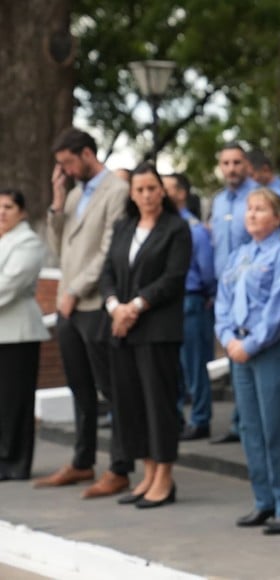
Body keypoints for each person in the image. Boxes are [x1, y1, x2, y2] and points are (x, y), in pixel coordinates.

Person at [38, 127, 134, 499]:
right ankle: (82, 461)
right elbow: (59, 247)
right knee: (79, 388)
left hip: (93, 305)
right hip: (69, 307)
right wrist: (58, 199)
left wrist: (76, 291)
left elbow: (108, 252)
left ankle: (120, 467)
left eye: (66, 163)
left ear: (87, 154)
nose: (64, 170)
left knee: (110, 389)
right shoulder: (76, 194)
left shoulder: (117, 191)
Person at [215, 188, 280, 535]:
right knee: (251, 429)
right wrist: (227, 339)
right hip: (238, 348)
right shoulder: (238, 255)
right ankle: (263, 501)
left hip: (270, 350)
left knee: (277, 429)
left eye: (261, 209)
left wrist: (249, 344)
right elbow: (223, 303)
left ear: (278, 217)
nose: (252, 214)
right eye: (249, 209)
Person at [101, 163, 191, 509]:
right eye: (139, 189)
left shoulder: (176, 228)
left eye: (152, 188)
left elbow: (173, 278)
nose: (147, 195)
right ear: (132, 193)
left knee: (159, 404)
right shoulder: (124, 226)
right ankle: (148, 472)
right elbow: (108, 271)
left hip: (157, 329)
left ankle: (165, 478)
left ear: (162, 191)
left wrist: (134, 307)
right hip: (122, 328)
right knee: (131, 405)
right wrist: (114, 307)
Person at [210, 142, 259, 445]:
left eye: (237, 162)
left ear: (247, 165)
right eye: (226, 163)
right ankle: (239, 424)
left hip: (254, 291)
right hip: (225, 289)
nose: (231, 168)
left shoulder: (257, 198)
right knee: (233, 358)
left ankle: (250, 424)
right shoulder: (217, 202)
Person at [0, 189, 50, 481]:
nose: (2, 212)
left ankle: (15, 462)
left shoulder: (28, 242)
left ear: (22, 212)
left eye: (8, 207)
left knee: (15, 402)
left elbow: (9, 284)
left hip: (18, 334)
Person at [165, 173, 216, 441]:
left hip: (192, 298)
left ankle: (200, 419)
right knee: (174, 366)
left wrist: (209, 293)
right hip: (168, 303)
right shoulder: (165, 225)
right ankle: (176, 418)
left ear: (182, 193)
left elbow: (207, 270)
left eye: (167, 188)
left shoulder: (194, 229)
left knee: (195, 364)